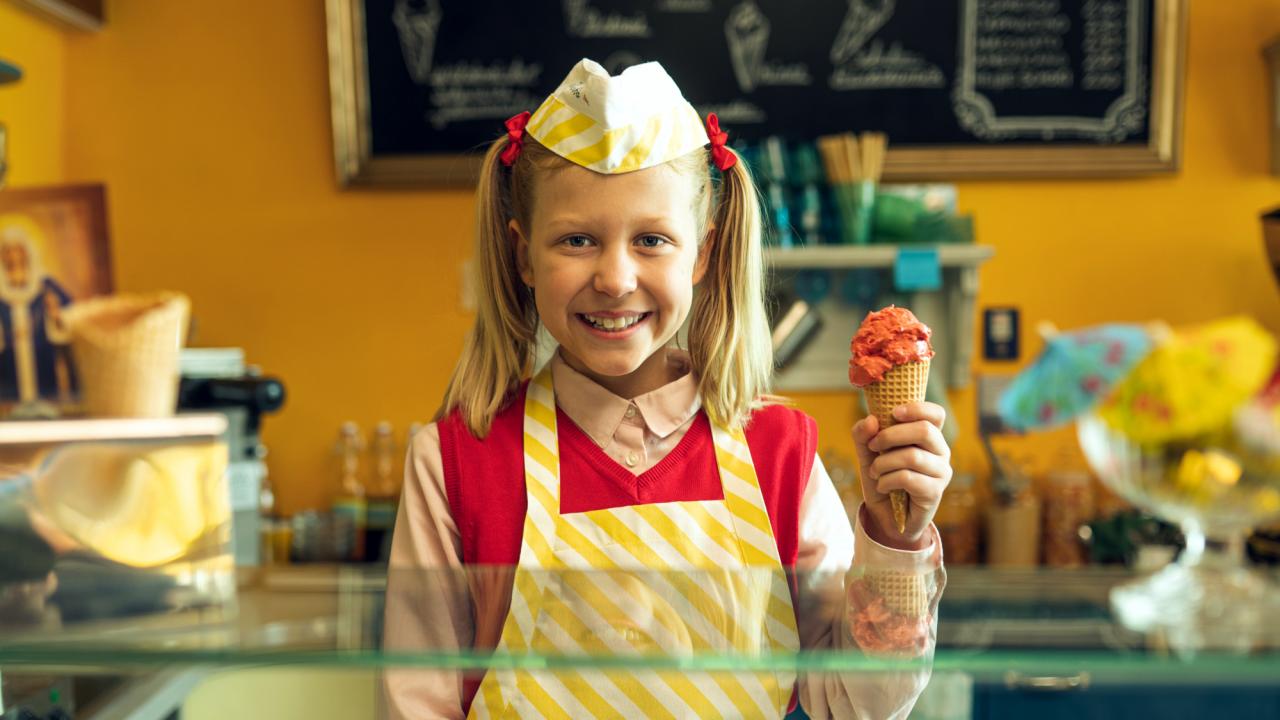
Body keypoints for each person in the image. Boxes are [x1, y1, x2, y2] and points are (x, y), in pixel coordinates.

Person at [383, 58, 950, 719]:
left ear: (703, 254)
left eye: (651, 239)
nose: (616, 277)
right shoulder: (456, 462)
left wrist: (896, 537)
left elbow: (858, 702)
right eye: (577, 240)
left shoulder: (780, 453)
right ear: (522, 255)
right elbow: (415, 705)